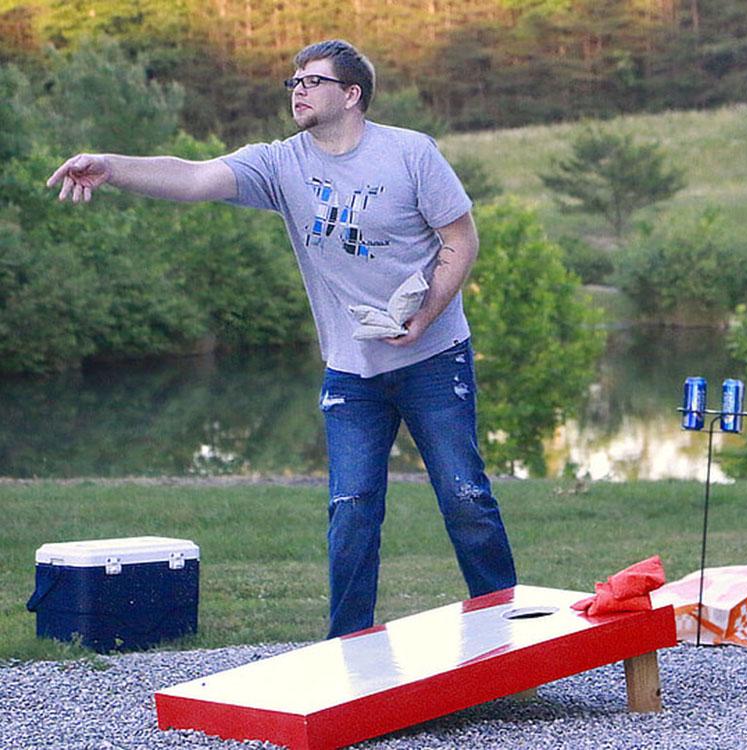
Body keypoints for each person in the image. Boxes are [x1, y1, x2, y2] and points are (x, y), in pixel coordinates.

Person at [46, 39, 517, 638]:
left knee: (465, 497)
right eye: (293, 81)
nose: (298, 89)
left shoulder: (409, 154)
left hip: (432, 357)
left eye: (313, 81)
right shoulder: (280, 163)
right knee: (351, 512)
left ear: (352, 95)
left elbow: (461, 239)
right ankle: (349, 649)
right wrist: (112, 167)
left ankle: (506, 633)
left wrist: (425, 316)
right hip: (351, 368)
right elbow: (192, 177)